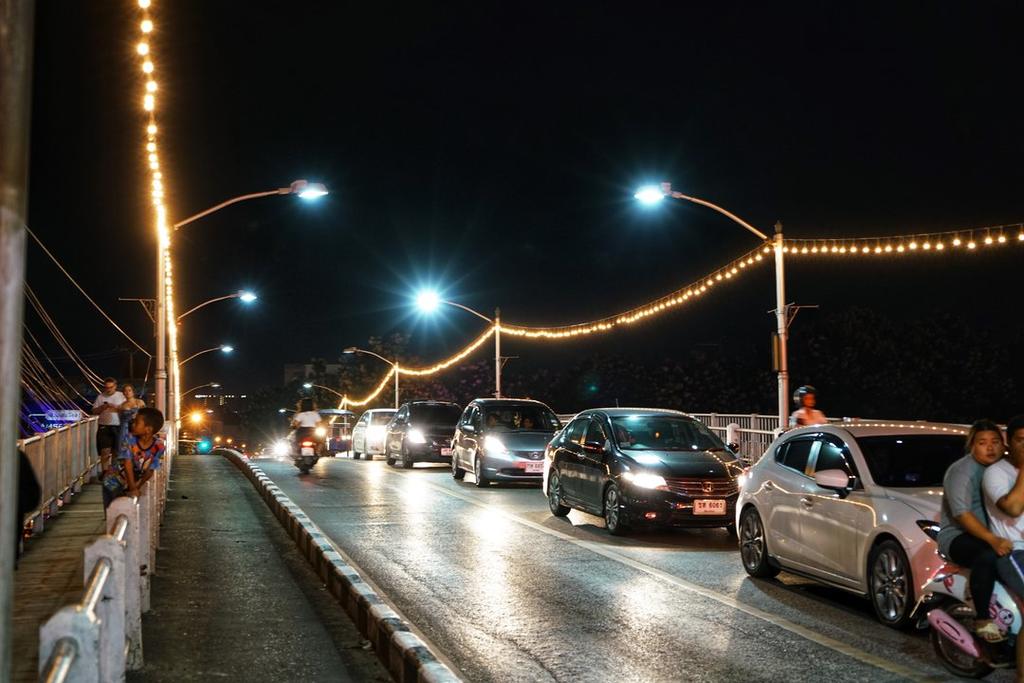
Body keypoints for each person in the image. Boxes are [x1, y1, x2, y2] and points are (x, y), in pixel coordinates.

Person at [937, 419, 1010, 642]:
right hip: (959, 536)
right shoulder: (962, 471)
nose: (990, 447)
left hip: (996, 535)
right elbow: (962, 514)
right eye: (982, 442)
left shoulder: (1003, 469)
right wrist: (992, 540)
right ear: (972, 446)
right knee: (986, 556)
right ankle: (983, 618)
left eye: (995, 442)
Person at [104, 407, 165, 504]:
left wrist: (138, 486)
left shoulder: (159, 446)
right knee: (114, 509)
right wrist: (133, 488)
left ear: (148, 429)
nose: (133, 424)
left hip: (133, 481)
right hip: (114, 481)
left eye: (137, 422)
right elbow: (127, 463)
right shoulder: (129, 439)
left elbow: (150, 470)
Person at [92, 377, 125, 474]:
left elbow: (127, 409)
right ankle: (105, 472)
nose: (108, 389)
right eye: (106, 387)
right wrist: (103, 407)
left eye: (111, 387)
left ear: (115, 387)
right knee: (105, 451)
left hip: (118, 426)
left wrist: (117, 407)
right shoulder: (101, 397)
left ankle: (114, 472)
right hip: (104, 426)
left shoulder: (121, 396)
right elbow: (94, 411)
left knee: (116, 451)